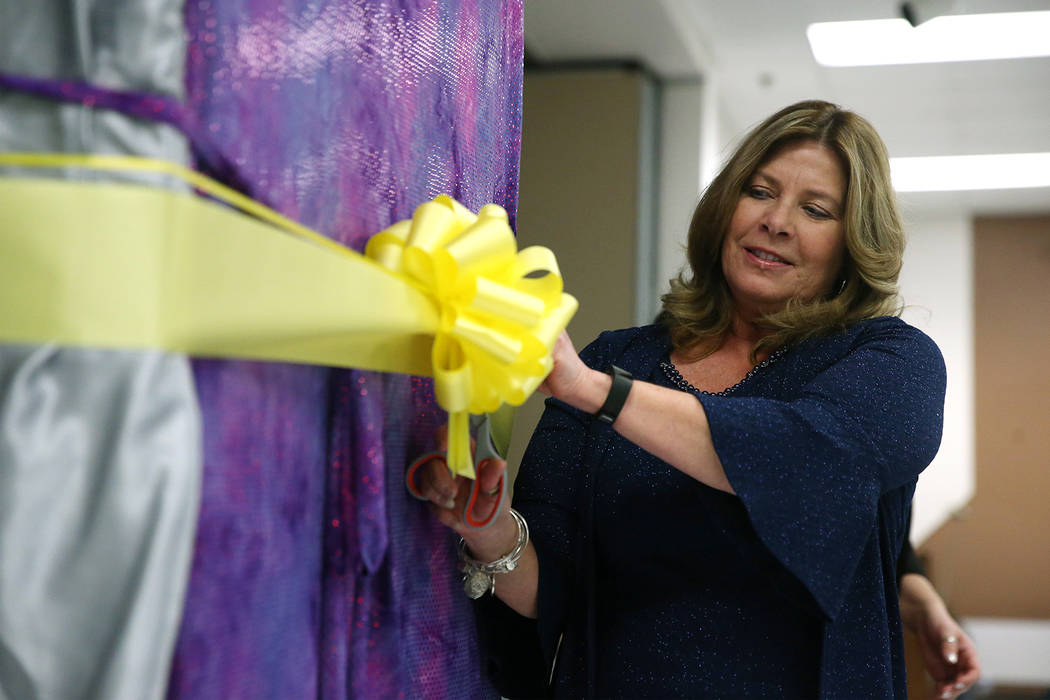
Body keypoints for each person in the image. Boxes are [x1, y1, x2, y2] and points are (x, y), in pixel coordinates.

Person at [418, 99, 951, 698]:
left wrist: (597, 393)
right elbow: (553, 585)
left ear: (853, 241)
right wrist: (487, 531)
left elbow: (806, 462)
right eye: (759, 191)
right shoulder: (616, 357)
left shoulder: (891, 361)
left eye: (815, 209)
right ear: (726, 206)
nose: (776, 221)